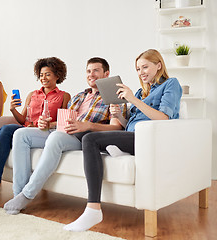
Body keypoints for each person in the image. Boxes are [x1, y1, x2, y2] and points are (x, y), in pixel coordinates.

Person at [63, 49, 182, 232]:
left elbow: (164, 118)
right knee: (83, 134)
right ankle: (116, 149)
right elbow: (130, 125)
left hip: (148, 139)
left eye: (145, 67)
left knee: (90, 139)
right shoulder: (142, 92)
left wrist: (132, 99)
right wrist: (120, 116)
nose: (141, 72)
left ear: (158, 65)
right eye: (138, 69)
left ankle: (93, 209)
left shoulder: (171, 84)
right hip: (132, 135)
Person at [3, 57, 127, 215]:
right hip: (64, 131)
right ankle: (18, 194)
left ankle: (27, 194)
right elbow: (64, 121)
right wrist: (48, 124)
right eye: (88, 71)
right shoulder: (79, 96)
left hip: (84, 137)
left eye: (96, 70)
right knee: (21, 134)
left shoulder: (114, 96)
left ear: (106, 73)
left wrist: (88, 125)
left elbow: (116, 127)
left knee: (56, 138)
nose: (91, 74)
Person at [0, 57, 71, 201]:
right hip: (25, 129)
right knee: (5, 130)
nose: (43, 78)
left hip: (44, 132)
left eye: (48, 74)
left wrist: (49, 124)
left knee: (19, 133)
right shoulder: (33, 94)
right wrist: (12, 110)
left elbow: (63, 120)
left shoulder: (64, 96)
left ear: (57, 75)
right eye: (41, 75)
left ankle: (20, 192)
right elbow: (23, 119)